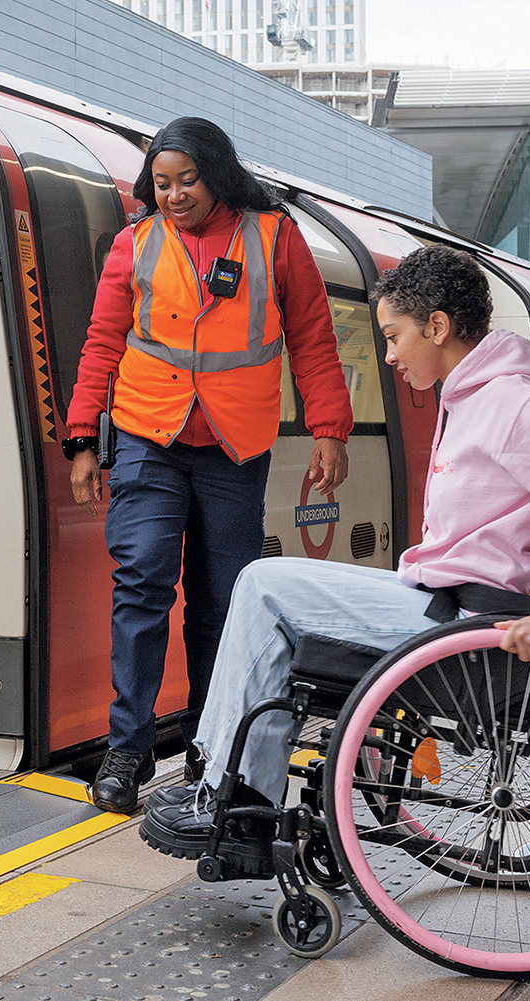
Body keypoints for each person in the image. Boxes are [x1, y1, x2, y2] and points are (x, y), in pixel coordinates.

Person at [137, 245, 530, 859]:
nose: (389, 354)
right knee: (269, 593)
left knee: (262, 586)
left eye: (394, 335)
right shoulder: (476, 395)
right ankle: (238, 791)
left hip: (464, 623)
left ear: (436, 326)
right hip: (447, 605)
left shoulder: (510, 402)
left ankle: (231, 795)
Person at [63, 117, 354, 814]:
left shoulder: (275, 238)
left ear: (217, 173)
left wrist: (330, 429)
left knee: (225, 603)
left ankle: (209, 745)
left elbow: (313, 335)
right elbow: (103, 341)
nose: (173, 194)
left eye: (186, 180)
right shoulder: (133, 245)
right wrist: (81, 436)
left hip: (235, 443)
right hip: (147, 435)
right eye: (161, 183)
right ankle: (127, 748)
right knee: (142, 582)